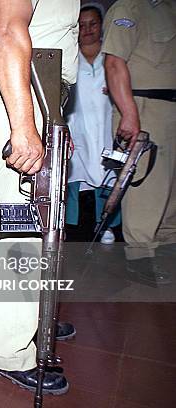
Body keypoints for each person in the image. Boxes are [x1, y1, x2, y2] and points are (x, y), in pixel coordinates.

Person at [0, 0, 79, 394]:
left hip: (34, 94)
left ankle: (34, 319)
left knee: (34, 225)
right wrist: (23, 125)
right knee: (23, 232)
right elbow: (8, 32)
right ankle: (8, 351)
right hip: (19, 95)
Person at [103, 0, 176, 284]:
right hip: (144, 108)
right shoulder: (129, 8)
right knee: (147, 187)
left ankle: (167, 251)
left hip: (169, 107)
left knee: (170, 192)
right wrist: (129, 115)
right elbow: (113, 62)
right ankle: (140, 259)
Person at [66, 3, 122, 244]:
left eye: (93, 24)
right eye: (82, 25)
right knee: (73, 179)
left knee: (109, 176)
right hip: (77, 127)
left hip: (105, 126)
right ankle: (72, 228)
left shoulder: (113, 60)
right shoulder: (70, 60)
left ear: (101, 27)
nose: (87, 29)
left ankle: (107, 225)